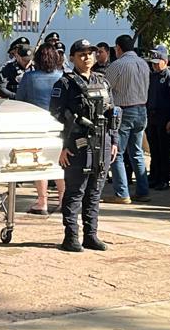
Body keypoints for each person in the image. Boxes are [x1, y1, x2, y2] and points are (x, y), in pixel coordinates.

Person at [50, 39, 120, 252]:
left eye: (90, 53)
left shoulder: (102, 81)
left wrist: (114, 140)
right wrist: (62, 146)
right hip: (77, 144)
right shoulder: (64, 84)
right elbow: (56, 116)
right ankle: (71, 237)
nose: (87, 57)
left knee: (95, 191)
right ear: (72, 58)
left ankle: (91, 234)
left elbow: (112, 112)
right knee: (75, 192)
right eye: (81, 54)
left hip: (103, 142)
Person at [16, 43, 66, 214]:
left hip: (36, 124)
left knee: (41, 162)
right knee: (59, 162)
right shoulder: (63, 76)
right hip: (60, 124)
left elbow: (20, 101)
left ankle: (42, 202)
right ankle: (62, 199)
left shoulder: (29, 77)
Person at [104, 34, 151, 203]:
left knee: (117, 152)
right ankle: (143, 190)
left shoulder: (118, 65)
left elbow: (105, 88)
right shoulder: (144, 64)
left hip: (123, 110)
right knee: (137, 152)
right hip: (141, 109)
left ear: (118, 48)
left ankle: (122, 193)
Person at [146, 46, 170, 190]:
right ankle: (154, 176)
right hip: (152, 117)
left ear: (165, 61)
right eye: (152, 62)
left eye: (157, 62)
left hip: (165, 118)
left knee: (164, 150)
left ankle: (164, 178)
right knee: (154, 150)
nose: (154, 65)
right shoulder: (152, 76)